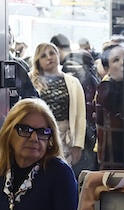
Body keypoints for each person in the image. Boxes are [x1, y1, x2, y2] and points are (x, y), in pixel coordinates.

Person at [29, 42, 88, 173]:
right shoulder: (31, 81)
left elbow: (80, 116)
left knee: (61, 175)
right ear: (38, 61)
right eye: (44, 56)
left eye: (52, 53)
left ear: (58, 55)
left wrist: (77, 145)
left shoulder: (73, 82)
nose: (49, 57)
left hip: (65, 137)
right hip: (39, 135)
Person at [93, 43, 124, 169]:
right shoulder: (106, 89)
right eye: (116, 60)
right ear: (107, 69)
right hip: (115, 160)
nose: (123, 62)